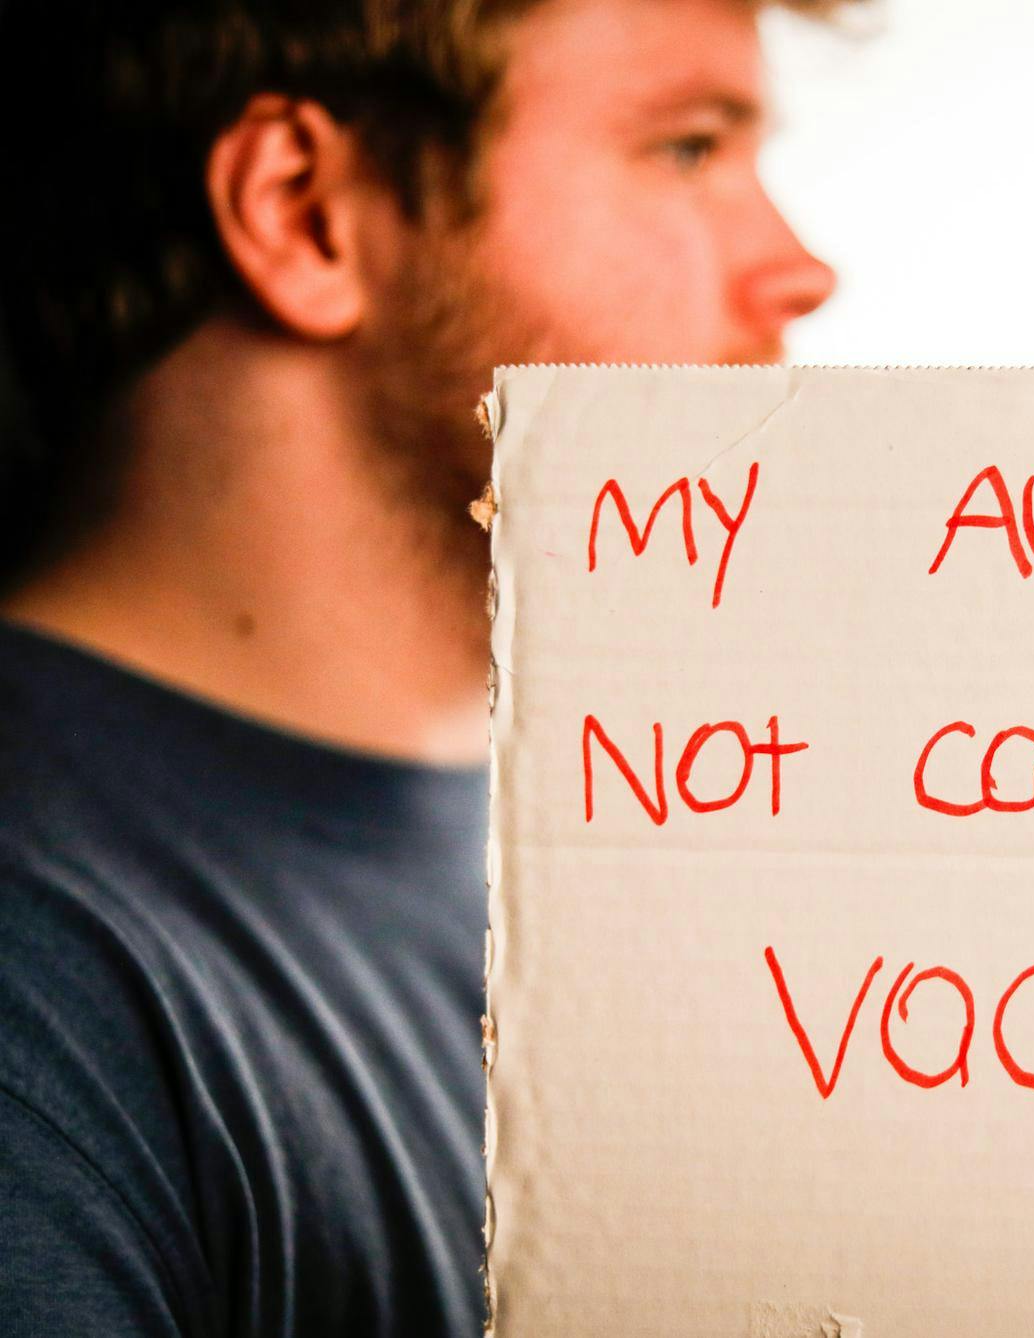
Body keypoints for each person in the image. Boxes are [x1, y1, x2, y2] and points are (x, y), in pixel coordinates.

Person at [0, 0, 846, 1331]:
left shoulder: (570, 891)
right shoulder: (41, 994)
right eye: (688, 149)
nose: (799, 269)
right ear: (305, 212)